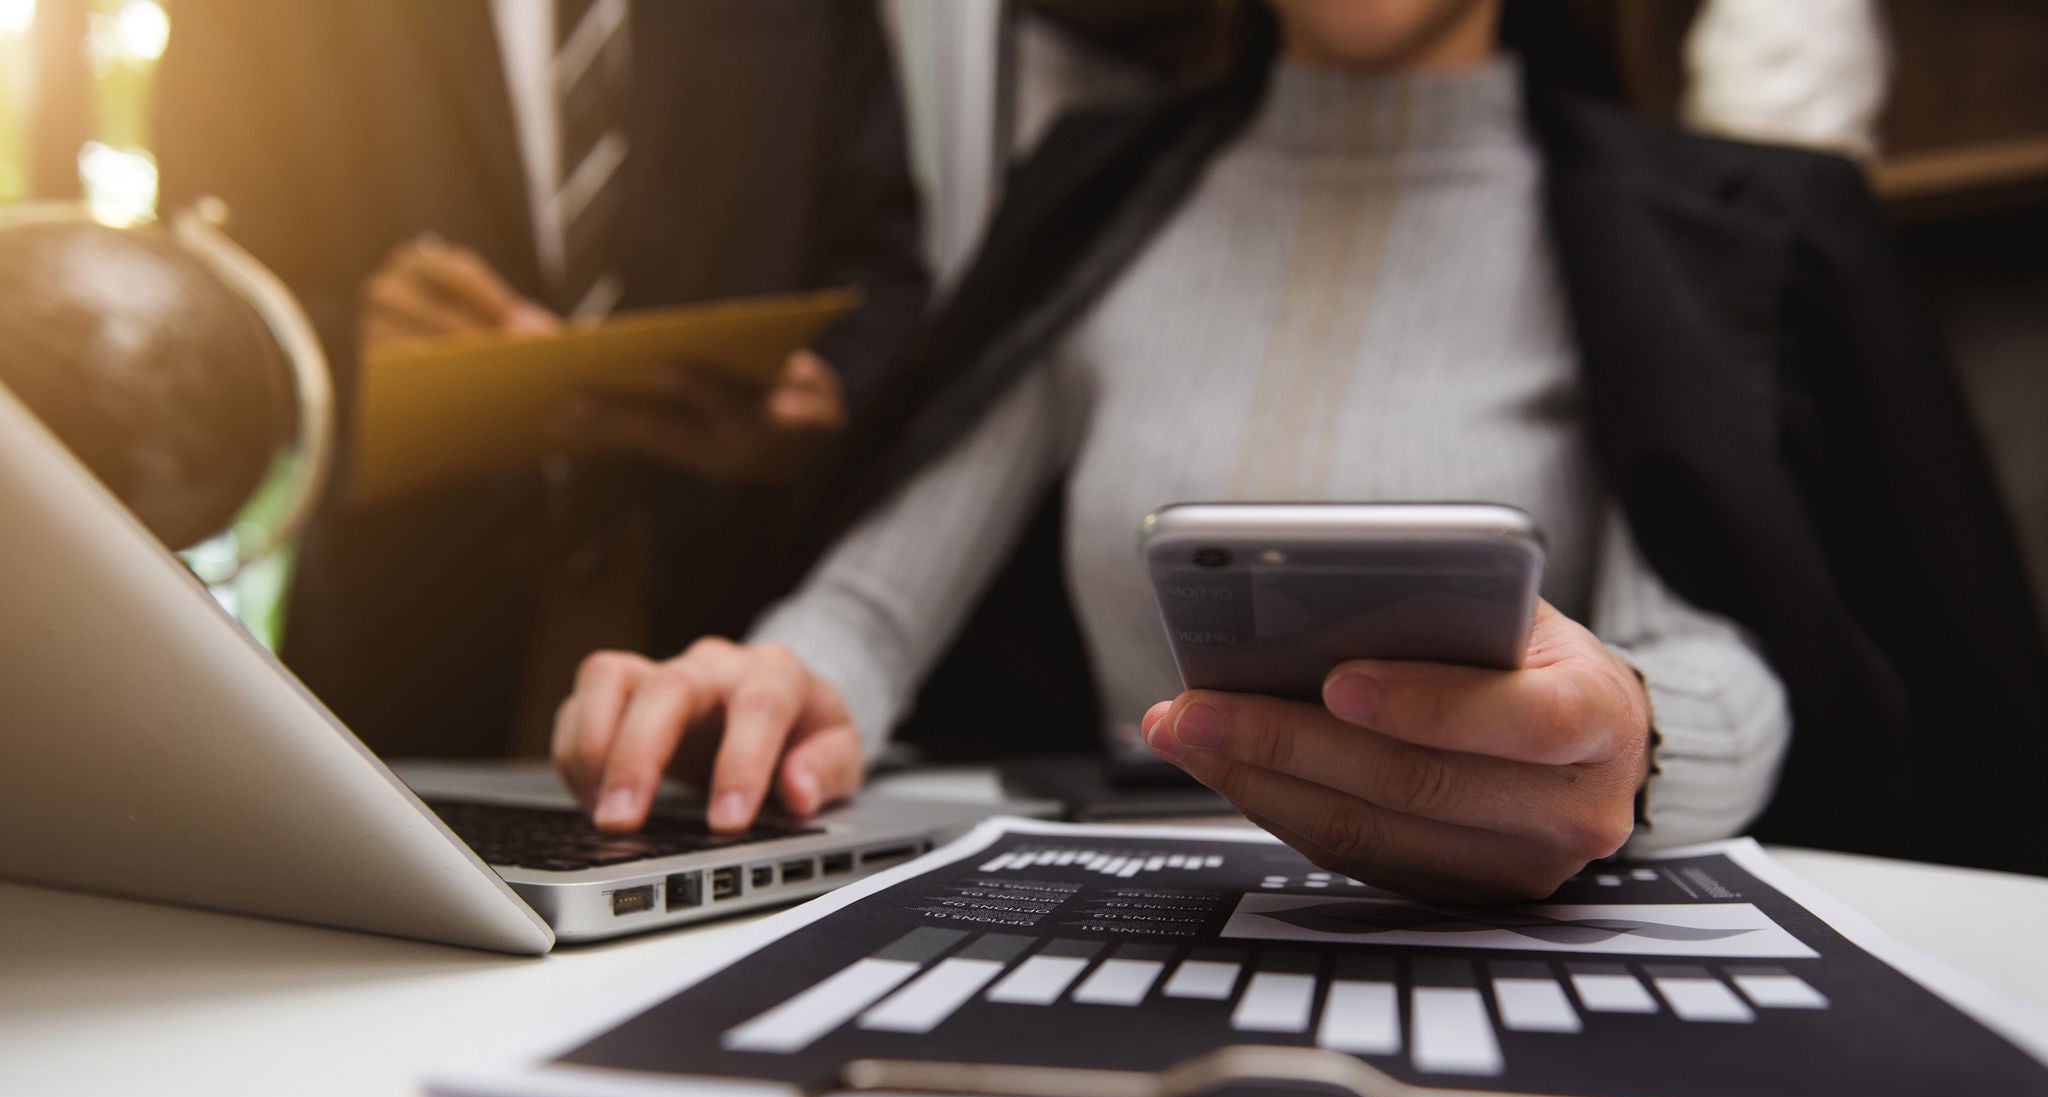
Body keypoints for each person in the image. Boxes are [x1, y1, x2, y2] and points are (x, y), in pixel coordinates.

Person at [551, 0, 2048, 894]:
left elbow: (1707, 652)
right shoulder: (1092, 198)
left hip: (1512, 970)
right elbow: (870, 610)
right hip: (1111, 931)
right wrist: (773, 684)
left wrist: (1636, 752)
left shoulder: (1694, 237)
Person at [155, 0, 929, 756]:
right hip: (403, 658)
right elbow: (202, 303)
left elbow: (884, 270)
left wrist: (832, 385)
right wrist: (340, 340)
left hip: (727, 639)